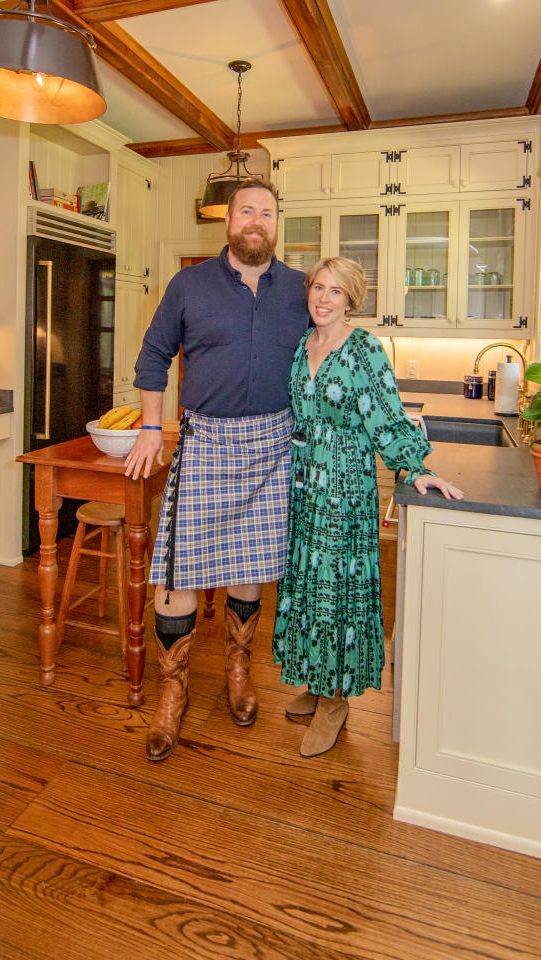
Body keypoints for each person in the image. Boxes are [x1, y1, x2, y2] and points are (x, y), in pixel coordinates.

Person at [124, 179, 310, 762]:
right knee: (176, 573)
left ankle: (238, 668)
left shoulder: (302, 290)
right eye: (246, 210)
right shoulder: (190, 285)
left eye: (267, 212)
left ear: (278, 223)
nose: (257, 220)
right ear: (227, 221)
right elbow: (153, 355)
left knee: (248, 567)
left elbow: (328, 353)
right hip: (205, 443)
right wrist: (152, 427)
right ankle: (172, 693)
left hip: (274, 444)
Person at [272, 256, 463, 758]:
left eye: (336, 291)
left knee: (336, 591)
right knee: (309, 586)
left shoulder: (364, 350)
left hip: (343, 492)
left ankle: (336, 701)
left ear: (351, 300)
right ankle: (314, 682)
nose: (323, 298)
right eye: (318, 288)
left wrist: (415, 468)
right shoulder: (303, 345)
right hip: (303, 488)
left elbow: (389, 419)